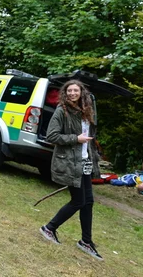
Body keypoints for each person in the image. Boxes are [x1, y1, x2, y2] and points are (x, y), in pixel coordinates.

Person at [39, 80, 103, 261]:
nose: (73, 93)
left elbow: (90, 137)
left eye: (76, 90)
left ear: (82, 92)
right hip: (70, 162)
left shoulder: (86, 111)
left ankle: (86, 241)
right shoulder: (62, 111)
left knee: (88, 201)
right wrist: (76, 138)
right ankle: (49, 228)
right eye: (69, 91)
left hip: (84, 161)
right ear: (65, 94)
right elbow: (52, 135)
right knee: (78, 201)